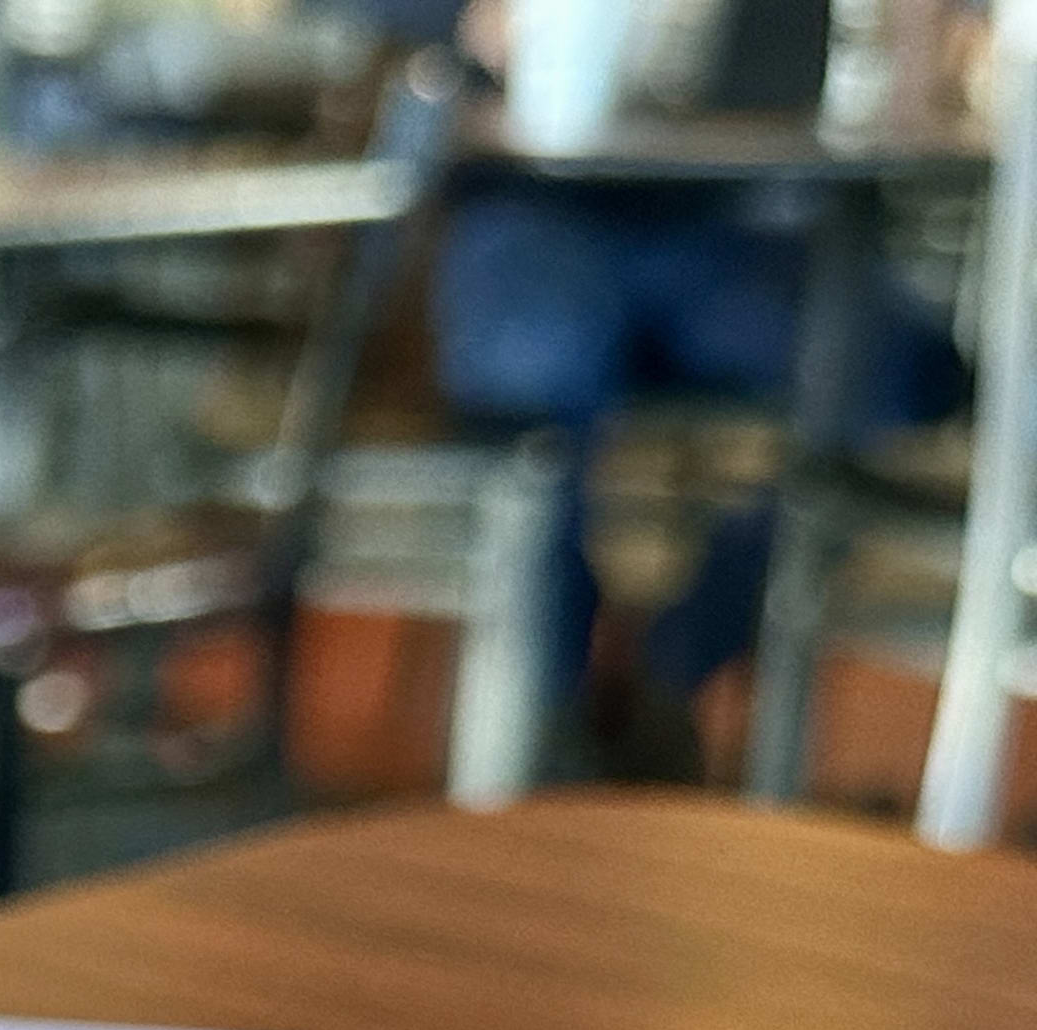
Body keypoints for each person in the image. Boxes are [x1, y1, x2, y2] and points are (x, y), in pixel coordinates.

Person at [407, 0, 972, 772]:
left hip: (737, 217)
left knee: (897, 370)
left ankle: (681, 661)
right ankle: (549, 716)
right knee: (539, 364)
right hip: (533, 201)